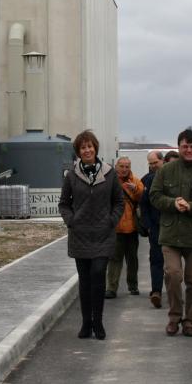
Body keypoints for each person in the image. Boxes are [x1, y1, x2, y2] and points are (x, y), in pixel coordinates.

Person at [150, 128, 192, 337]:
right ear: (178, 147)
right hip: (171, 235)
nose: (189, 150)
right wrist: (173, 203)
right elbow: (154, 196)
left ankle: (190, 321)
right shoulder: (166, 170)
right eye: (184, 146)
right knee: (172, 275)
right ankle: (174, 317)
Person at [59, 130, 123, 340]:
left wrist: (111, 220)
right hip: (80, 235)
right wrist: (71, 221)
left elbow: (118, 202)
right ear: (78, 152)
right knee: (85, 280)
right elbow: (64, 204)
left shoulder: (109, 173)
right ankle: (86, 323)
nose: (87, 150)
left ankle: (99, 322)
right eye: (82, 148)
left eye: (90, 146)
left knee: (98, 274)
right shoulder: (72, 175)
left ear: (95, 148)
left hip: (103, 234)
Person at [106, 156, 144, 298]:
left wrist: (136, 191)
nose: (124, 169)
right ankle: (111, 288)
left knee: (132, 259)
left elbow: (143, 197)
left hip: (132, 228)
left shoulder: (136, 181)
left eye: (127, 166)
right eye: (122, 166)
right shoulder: (109, 181)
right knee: (114, 259)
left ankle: (133, 286)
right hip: (115, 228)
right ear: (116, 166)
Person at [140, 150, 164, 307]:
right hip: (155, 227)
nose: (153, 166)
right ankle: (156, 291)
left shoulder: (173, 177)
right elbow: (143, 205)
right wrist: (147, 226)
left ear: (162, 161)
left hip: (173, 227)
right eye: (150, 164)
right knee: (156, 260)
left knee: (172, 264)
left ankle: (174, 290)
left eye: (155, 163)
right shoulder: (147, 180)